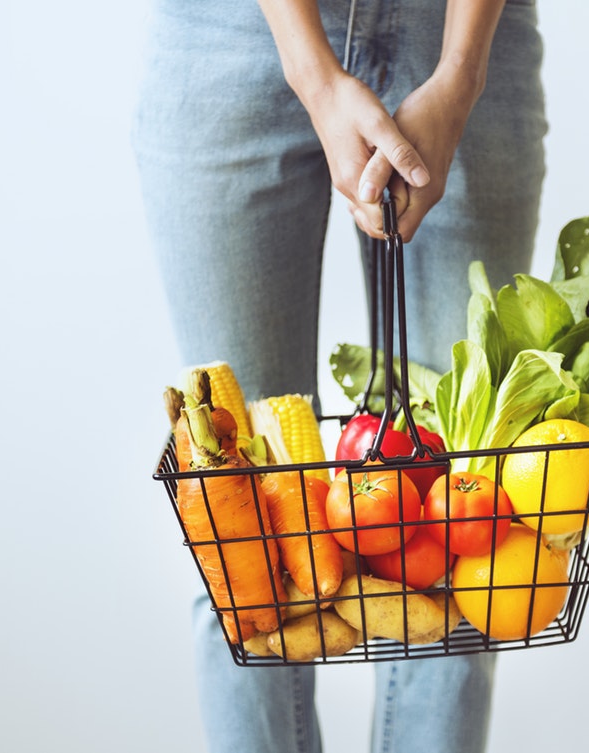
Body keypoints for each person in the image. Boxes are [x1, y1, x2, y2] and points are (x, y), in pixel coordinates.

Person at [132, 1, 547, 751]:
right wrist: (310, 70)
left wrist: (460, 71)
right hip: (232, 33)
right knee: (238, 538)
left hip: (460, 31)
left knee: (469, 535)